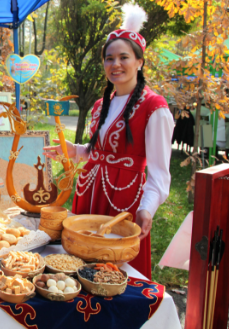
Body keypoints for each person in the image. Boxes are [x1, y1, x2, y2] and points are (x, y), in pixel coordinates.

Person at [43, 4, 174, 280]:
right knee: (81, 264)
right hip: (90, 193)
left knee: (113, 270)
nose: (115, 64)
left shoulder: (154, 107)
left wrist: (147, 209)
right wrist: (76, 151)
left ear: (140, 61)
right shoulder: (103, 104)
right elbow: (100, 153)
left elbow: (160, 173)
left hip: (123, 201)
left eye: (123, 57)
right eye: (109, 58)